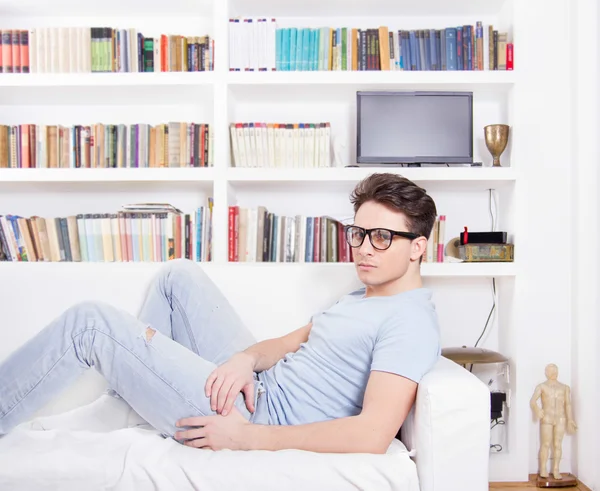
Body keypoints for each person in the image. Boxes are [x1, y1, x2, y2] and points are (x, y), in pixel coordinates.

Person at [0, 172, 441, 454]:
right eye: (358, 234)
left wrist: (250, 439)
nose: (364, 248)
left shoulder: (410, 322)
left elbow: (373, 433)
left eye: (381, 237)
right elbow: (287, 344)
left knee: (90, 323)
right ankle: (126, 404)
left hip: (257, 419)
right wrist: (243, 360)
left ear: (418, 247)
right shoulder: (361, 296)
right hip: (259, 388)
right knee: (178, 275)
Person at [530, 363, 577, 480]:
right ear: (546, 373)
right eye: (551, 371)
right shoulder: (541, 386)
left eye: (555, 370)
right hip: (547, 418)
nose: (553, 373)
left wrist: (570, 419)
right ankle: (543, 468)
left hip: (561, 418)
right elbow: (532, 401)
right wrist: (537, 410)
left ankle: (556, 469)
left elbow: (568, 404)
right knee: (545, 444)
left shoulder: (565, 387)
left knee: (557, 445)